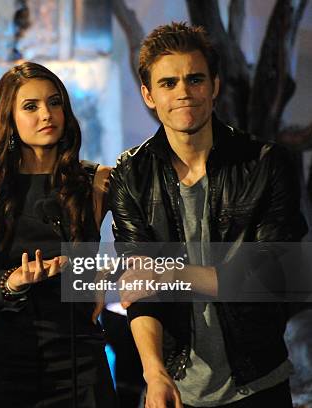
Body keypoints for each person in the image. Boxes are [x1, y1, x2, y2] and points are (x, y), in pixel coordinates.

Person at [107, 22, 308, 408]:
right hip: (176, 386)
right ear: (148, 95)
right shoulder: (131, 174)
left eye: (194, 79)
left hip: (258, 383)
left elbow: (263, 276)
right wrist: (154, 373)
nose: (183, 92)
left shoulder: (265, 164)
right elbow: (139, 287)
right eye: (168, 83)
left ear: (214, 86)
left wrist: (169, 273)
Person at [0, 61, 118, 407]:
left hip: (79, 353)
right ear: (8, 118)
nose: (46, 114)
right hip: (9, 354)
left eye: (54, 103)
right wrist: (13, 281)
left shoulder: (97, 182)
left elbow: (144, 250)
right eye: (30, 106)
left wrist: (104, 275)